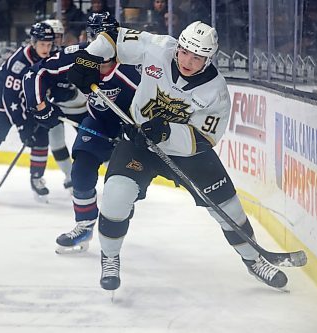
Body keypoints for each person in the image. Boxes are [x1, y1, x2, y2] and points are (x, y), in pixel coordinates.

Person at [60, 21, 289, 291]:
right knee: (115, 196)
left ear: (208, 58)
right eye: (185, 52)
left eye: (197, 57)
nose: (188, 61)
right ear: (178, 46)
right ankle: (110, 257)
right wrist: (89, 59)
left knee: (229, 208)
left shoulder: (216, 90)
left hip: (187, 153)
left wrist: (167, 132)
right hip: (138, 143)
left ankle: (254, 260)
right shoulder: (158, 48)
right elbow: (114, 37)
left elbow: (206, 138)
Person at [53, 12, 140, 254]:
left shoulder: (133, 67)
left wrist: (139, 125)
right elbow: (46, 68)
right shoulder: (83, 59)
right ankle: (84, 224)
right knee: (80, 170)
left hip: (131, 128)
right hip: (98, 122)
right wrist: (40, 99)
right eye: (95, 37)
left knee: (121, 188)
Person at [0, 22, 55, 201]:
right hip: (1, 102)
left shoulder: (49, 57)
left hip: (28, 100)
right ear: (33, 42)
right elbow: (10, 97)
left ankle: (36, 178)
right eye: (43, 44)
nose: (47, 48)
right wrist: (22, 125)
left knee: (41, 135)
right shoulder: (19, 62)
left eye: (49, 44)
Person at [42, 18, 75, 190]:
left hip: (79, 108)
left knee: (99, 142)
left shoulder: (68, 56)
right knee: (55, 142)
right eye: (52, 37)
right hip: (56, 108)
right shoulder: (41, 60)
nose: (55, 41)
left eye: (58, 36)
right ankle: (70, 176)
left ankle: (114, 175)